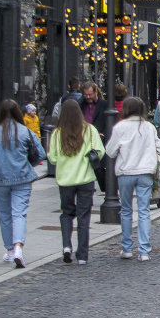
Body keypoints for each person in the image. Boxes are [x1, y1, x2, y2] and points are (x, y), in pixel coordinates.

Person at [0, 99, 45, 268]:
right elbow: (41, 153)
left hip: (0, 179)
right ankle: (18, 247)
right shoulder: (25, 132)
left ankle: (9, 250)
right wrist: (28, 164)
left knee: (4, 216)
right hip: (22, 178)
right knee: (19, 214)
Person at [47, 99, 104, 265]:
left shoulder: (57, 133)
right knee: (83, 216)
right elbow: (100, 151)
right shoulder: (89, 130)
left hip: (65, 180)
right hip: (85, 179)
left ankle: (66, 246)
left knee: (66, 213)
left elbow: (52, 157)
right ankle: (82, 255)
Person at [106, 97, 160, 262]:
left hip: (126, 172)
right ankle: (144, 250)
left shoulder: (120, 127)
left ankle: (126, 248)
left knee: (126, 210)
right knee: (144, 210)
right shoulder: (149, 127)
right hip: (145, 172)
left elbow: (110, 151)